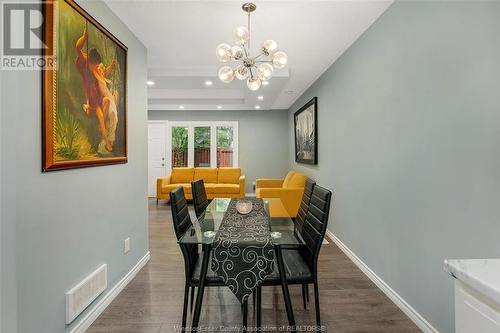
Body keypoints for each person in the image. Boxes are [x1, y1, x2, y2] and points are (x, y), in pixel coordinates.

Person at [75, 26, 118, 152]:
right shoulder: (85, 62)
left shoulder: (97, 68)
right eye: (96, 65)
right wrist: (84, 37)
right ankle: (106, 141)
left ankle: (102, 125)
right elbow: (77, 47)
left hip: (98, 97)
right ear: (92, 61)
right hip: (92, 101)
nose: (97, 67)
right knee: (100, 116)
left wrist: (112, 66)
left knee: (108, 101)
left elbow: (104, 72)